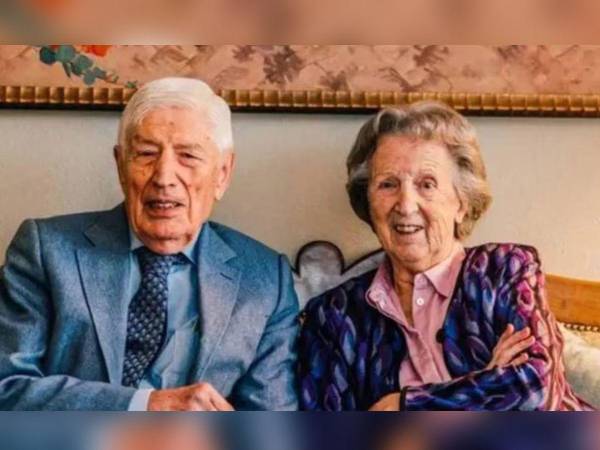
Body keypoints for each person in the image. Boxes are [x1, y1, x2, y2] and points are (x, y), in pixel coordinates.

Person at [0, 77, 299, 411]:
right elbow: (6, 386)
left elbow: (272, 422)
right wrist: (145, 405)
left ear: (223, 174)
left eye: (188, 156)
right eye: (145, 154)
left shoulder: (265, 279)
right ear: (120, 165)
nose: (164, 177)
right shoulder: (46, 250)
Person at [298, 101, 591, 410]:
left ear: (461, 203)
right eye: (388, 184)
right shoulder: (335, 315)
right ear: (368, 203)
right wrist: (488, 387)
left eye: (427, 184)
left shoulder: (504, 271)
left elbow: (537, 393)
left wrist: (402, 405)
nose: (405, 204)